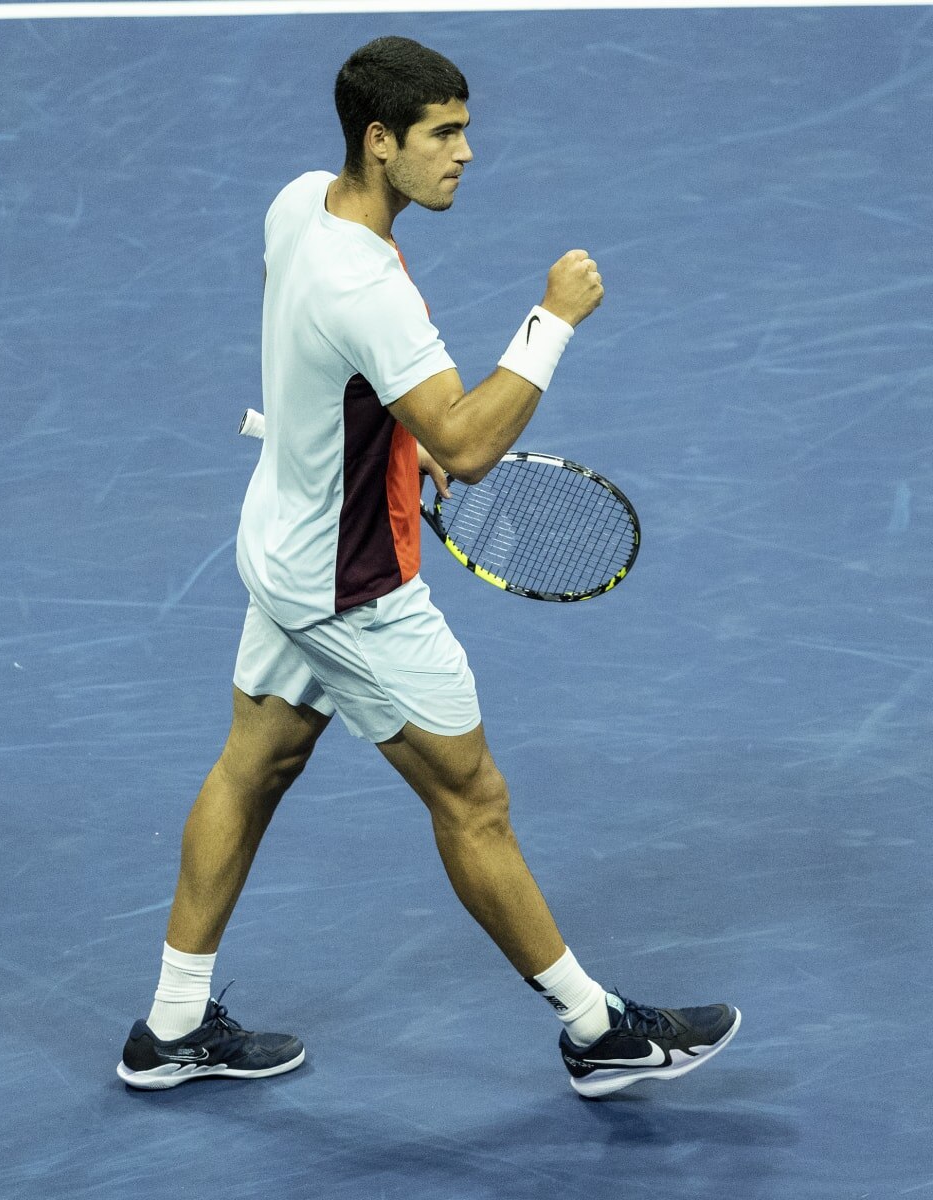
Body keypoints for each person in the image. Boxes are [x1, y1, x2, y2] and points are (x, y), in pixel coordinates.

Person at [116, 35, 739, 1099]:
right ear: (380, 141)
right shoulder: (370, 290)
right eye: (443, 135)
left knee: (254, 764)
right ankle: (598, 1031)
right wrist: (552, 322)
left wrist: (389, 445)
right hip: (354, 595)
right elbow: (465, 443)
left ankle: (171, 1026)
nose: (464, 154)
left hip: (282, 543)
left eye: (465, 130)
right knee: (475, 802)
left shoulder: (300, 203)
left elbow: (349, 382)